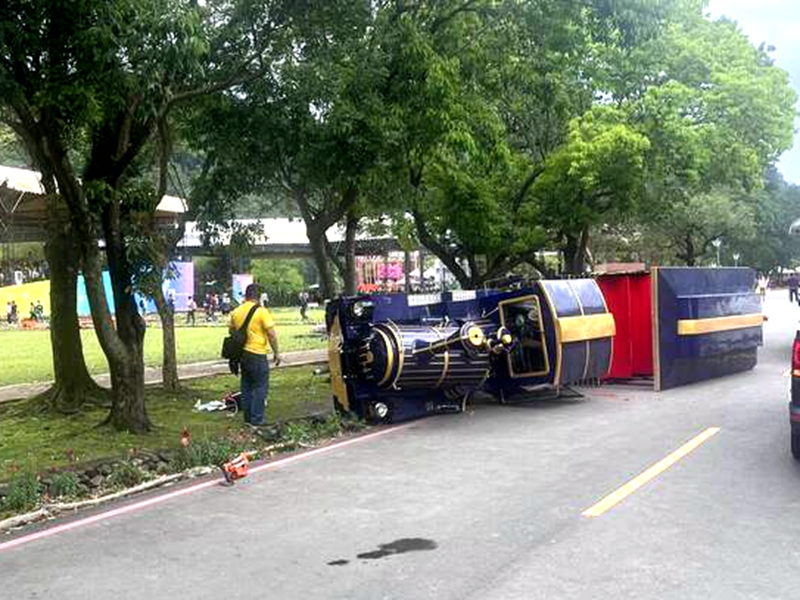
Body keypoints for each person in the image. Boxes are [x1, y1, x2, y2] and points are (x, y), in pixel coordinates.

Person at [229, 284, 281, 426]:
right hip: (257, 353)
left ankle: (247, 419)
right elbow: (271, 334)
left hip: (242, 355)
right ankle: (257, 420)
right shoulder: (261, 312)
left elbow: (232, 332)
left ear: (246, 296)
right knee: (260, 386)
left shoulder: (236, 312)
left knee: (246, 386)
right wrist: (276, 352)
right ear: (258, 297)